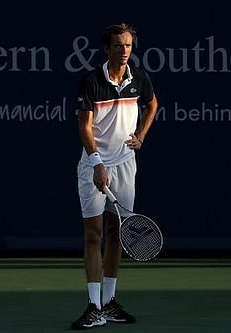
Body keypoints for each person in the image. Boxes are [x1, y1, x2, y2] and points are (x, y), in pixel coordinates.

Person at [71, 22, 158, 330]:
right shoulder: (92, 81)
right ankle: (93, 306)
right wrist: (96, 163)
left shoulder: (139, 78)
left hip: (125, 165)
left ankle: (109, 302)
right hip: (94, 164)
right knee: (94, 234)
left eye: (129, 46)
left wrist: (141, 136)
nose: (124, 51)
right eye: (119, 46)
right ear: (107, 48)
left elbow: (152, 104)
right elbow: (84, 127)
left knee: (116, 233)